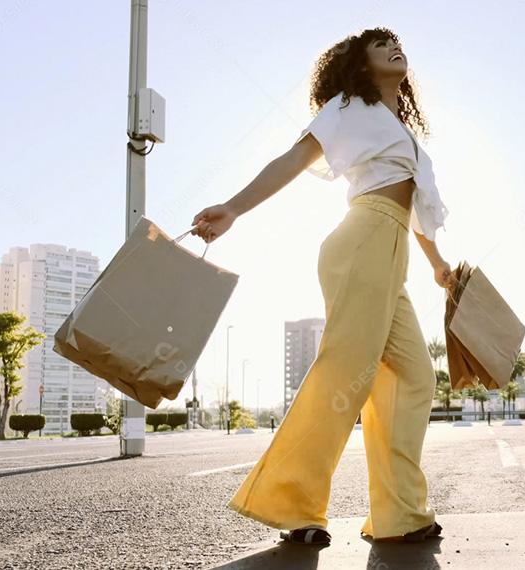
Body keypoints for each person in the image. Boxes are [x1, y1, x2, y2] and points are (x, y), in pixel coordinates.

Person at [190, 27, 452, 546]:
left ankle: (399, 514)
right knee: (345, 373)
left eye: (396, 44)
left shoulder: (404, 132)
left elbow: (417, 214)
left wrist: (439, 267)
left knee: (415, 376)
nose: (393, 49)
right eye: (379, 46)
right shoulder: (348, 107)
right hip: (362, 243)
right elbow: (293, 159)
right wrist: (234, 209)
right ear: (359, 63)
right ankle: (291, 505)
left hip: (391, 252)